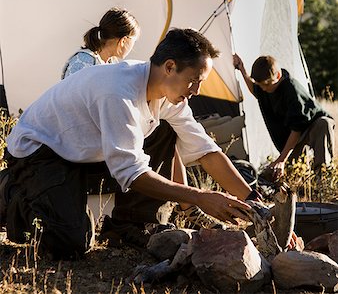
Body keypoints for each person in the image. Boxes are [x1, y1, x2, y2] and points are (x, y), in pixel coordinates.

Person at [3, 29, 255, 260]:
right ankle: (10, 191)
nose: (197, 91)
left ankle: (131, 225)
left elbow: (207, 151)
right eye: (194, 80)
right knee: (70, 244)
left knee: (164, 129)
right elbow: (131, 174)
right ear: (170, 67)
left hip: (84, 154)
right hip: (39, 152)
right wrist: (199, 197)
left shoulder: (169, 97)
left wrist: (255, 205)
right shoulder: (118, 92)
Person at [62, 8, 219, 231]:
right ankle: (182, 205)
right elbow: (79, 110)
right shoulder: (85, 63)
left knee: (165, 129)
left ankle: (184, 207)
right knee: (156, 132)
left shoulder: (109, 66)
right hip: (87, 145)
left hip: (106, 137)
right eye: (133, 41)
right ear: (124, 41)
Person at [233, 54, 335, 179]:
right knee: (278, 175)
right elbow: (255, 89)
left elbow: (296, 128)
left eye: (266, 85)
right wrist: (242, 69)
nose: (263, 89)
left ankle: (323, 178)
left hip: (309, 128)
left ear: (278, 76)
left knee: (323, 123)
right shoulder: (266, 86)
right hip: (292, 139)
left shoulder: (291, 89)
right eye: (261, 85)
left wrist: (281, 159)